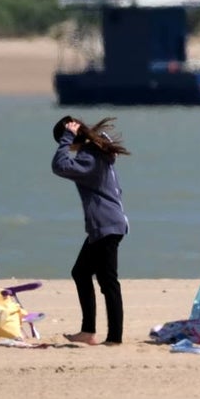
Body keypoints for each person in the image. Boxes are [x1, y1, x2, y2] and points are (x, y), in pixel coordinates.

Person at [51, 115, 131, 346]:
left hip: (107, 225)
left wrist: (66, 137)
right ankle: (88, 331)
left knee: (108, 282)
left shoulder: (90, 156)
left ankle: (114, 337)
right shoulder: (98, 150)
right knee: (81, 272)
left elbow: (60, 165)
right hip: (104, 225)